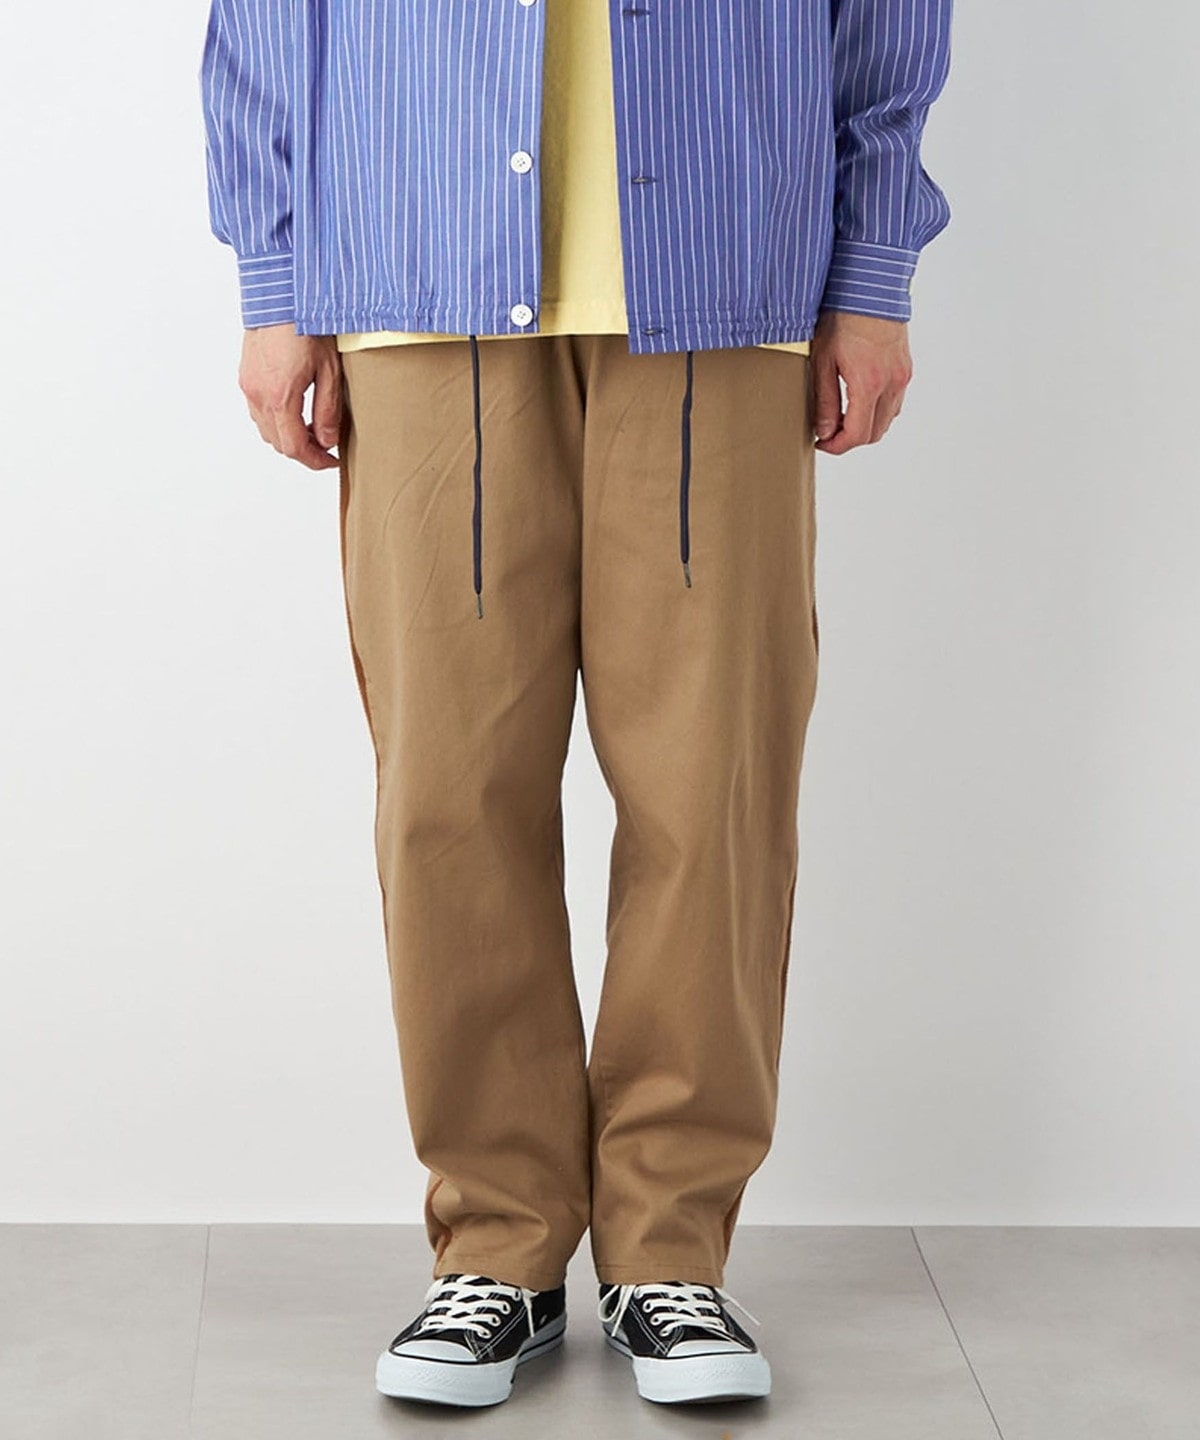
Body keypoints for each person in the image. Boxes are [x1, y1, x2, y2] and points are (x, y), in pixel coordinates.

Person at [199, 0, 953, 1410]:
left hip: (723, 260)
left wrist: (873, 269)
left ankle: (672, 1253)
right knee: (447, 791)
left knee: (713, 792)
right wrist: (274, 278)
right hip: (419, 253)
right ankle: (497, 1245)